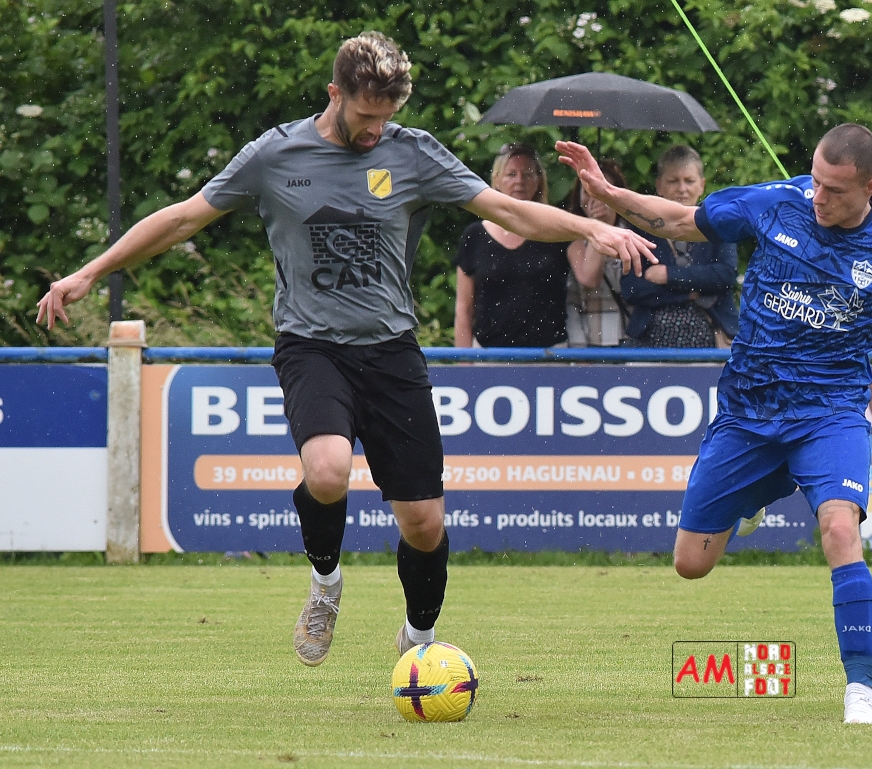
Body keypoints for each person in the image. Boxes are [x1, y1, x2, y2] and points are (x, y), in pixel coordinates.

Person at [36, 32, 654, 667]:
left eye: (388, 115)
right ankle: (326, 583)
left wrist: (590, 227)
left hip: (391, 351)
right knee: (327, 470)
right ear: (335, 94)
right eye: (366, 115)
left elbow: (508, 210)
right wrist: (91, 271)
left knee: (424, 523)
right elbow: (182, 218)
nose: (376, 129)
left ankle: (418, 640)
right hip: (312, 346)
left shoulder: (413, 152)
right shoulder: (274, 155)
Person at [558, 123, 872, 724]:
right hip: (748, 413)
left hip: (830, 415)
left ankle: (860, 689)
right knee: (690, 563)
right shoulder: (778, 202)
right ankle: (761, 492)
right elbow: (680, 220)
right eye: (816, 181)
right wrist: (609, 194)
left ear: (870, 188)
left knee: (841, 530)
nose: (818, 197)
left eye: (834, 190)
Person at [620, 146, 738, 347]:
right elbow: (632, 288)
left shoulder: (719, 223)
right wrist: (689, 292)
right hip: (649, 344)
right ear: (659, 186)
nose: (682, 189)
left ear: (702, 185)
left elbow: (726, 275)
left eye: (689, 181)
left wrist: (669, 275)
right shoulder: (642, 228)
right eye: (673, 181)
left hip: (713, 339)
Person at [453, 144, 570, 347]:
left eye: (527, 174)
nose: (519, 181)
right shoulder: (475, 236)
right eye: (511, 174)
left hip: (550, 355)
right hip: (490, 355)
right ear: (496, 180)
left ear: (539, 180)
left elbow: (588, 277)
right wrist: (465, 361)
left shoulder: (556, 230)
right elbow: (464, 309)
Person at [565, 158, 631, 347]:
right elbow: (589, 279)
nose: (595, 198)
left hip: (633, 341)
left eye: (602, 192)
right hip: (594, 342)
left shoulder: (633, 235)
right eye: (587, 192)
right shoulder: (575, 242)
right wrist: (598, 225)